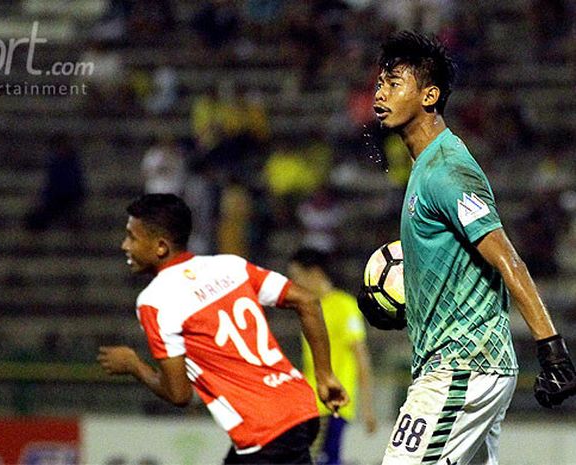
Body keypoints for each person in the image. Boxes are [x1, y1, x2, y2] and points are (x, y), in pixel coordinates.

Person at [359, 30, 576, 464]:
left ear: (429, 95)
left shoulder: (446, 170)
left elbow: (507, 258)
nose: (381, 94)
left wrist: (552, 349)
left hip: (462, 367)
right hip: (462, 364)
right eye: (381, 83)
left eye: (395, 83)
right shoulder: (424, 168)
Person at [97, 193, 348, 464]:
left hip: (264, 432)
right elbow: (307, 301)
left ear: (160, 246)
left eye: (132, 237)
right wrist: (324, 376)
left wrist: (135, 365)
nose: (125, 245)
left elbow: (179, 394)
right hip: (300, 406)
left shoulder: (154, 301)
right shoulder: (229, 266)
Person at [288, 248, 377, 465]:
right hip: (309, 405)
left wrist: (368, 406)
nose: (293, 283)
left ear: (315, 273)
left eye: (297, 276)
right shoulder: (308, 308)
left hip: (333, 403)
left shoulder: (344, 306)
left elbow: (361, 356)